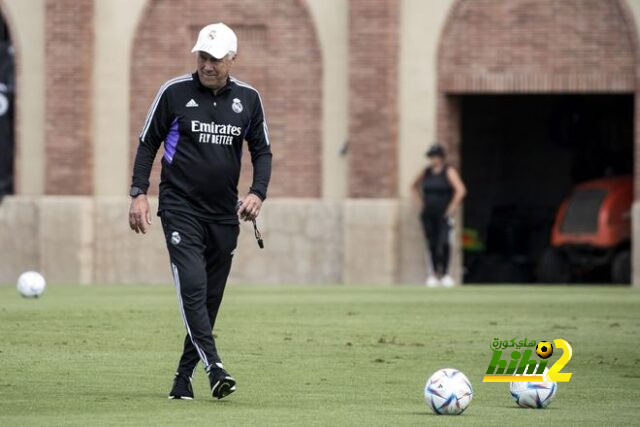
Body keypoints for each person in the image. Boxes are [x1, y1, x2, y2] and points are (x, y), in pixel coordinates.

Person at [128, 23, 272, 400]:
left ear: (232, 58)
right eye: (202, 57)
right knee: (192, 285)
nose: (207, 65)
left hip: (225, 214)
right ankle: (215, 367)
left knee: (209, 299)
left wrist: (258, 193)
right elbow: (147, 145)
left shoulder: (249, 99)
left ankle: (182, 377)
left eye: (216, 58)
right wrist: (139, 193)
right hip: (179, 207)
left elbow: (262, 151)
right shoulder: (173, 93)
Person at [412, 144, 466, 287]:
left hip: (444, 214)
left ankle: (446, 274)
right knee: (431, 243)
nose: (432, 160)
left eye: (435, 157)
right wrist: (421, 204)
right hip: (428, 214)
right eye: (430, 157)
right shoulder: (426, 172)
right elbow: (413, 186)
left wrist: (451, 208)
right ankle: (433, 274)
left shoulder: (448, 171)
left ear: (441, 157)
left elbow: (460, 190)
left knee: (444, 242)